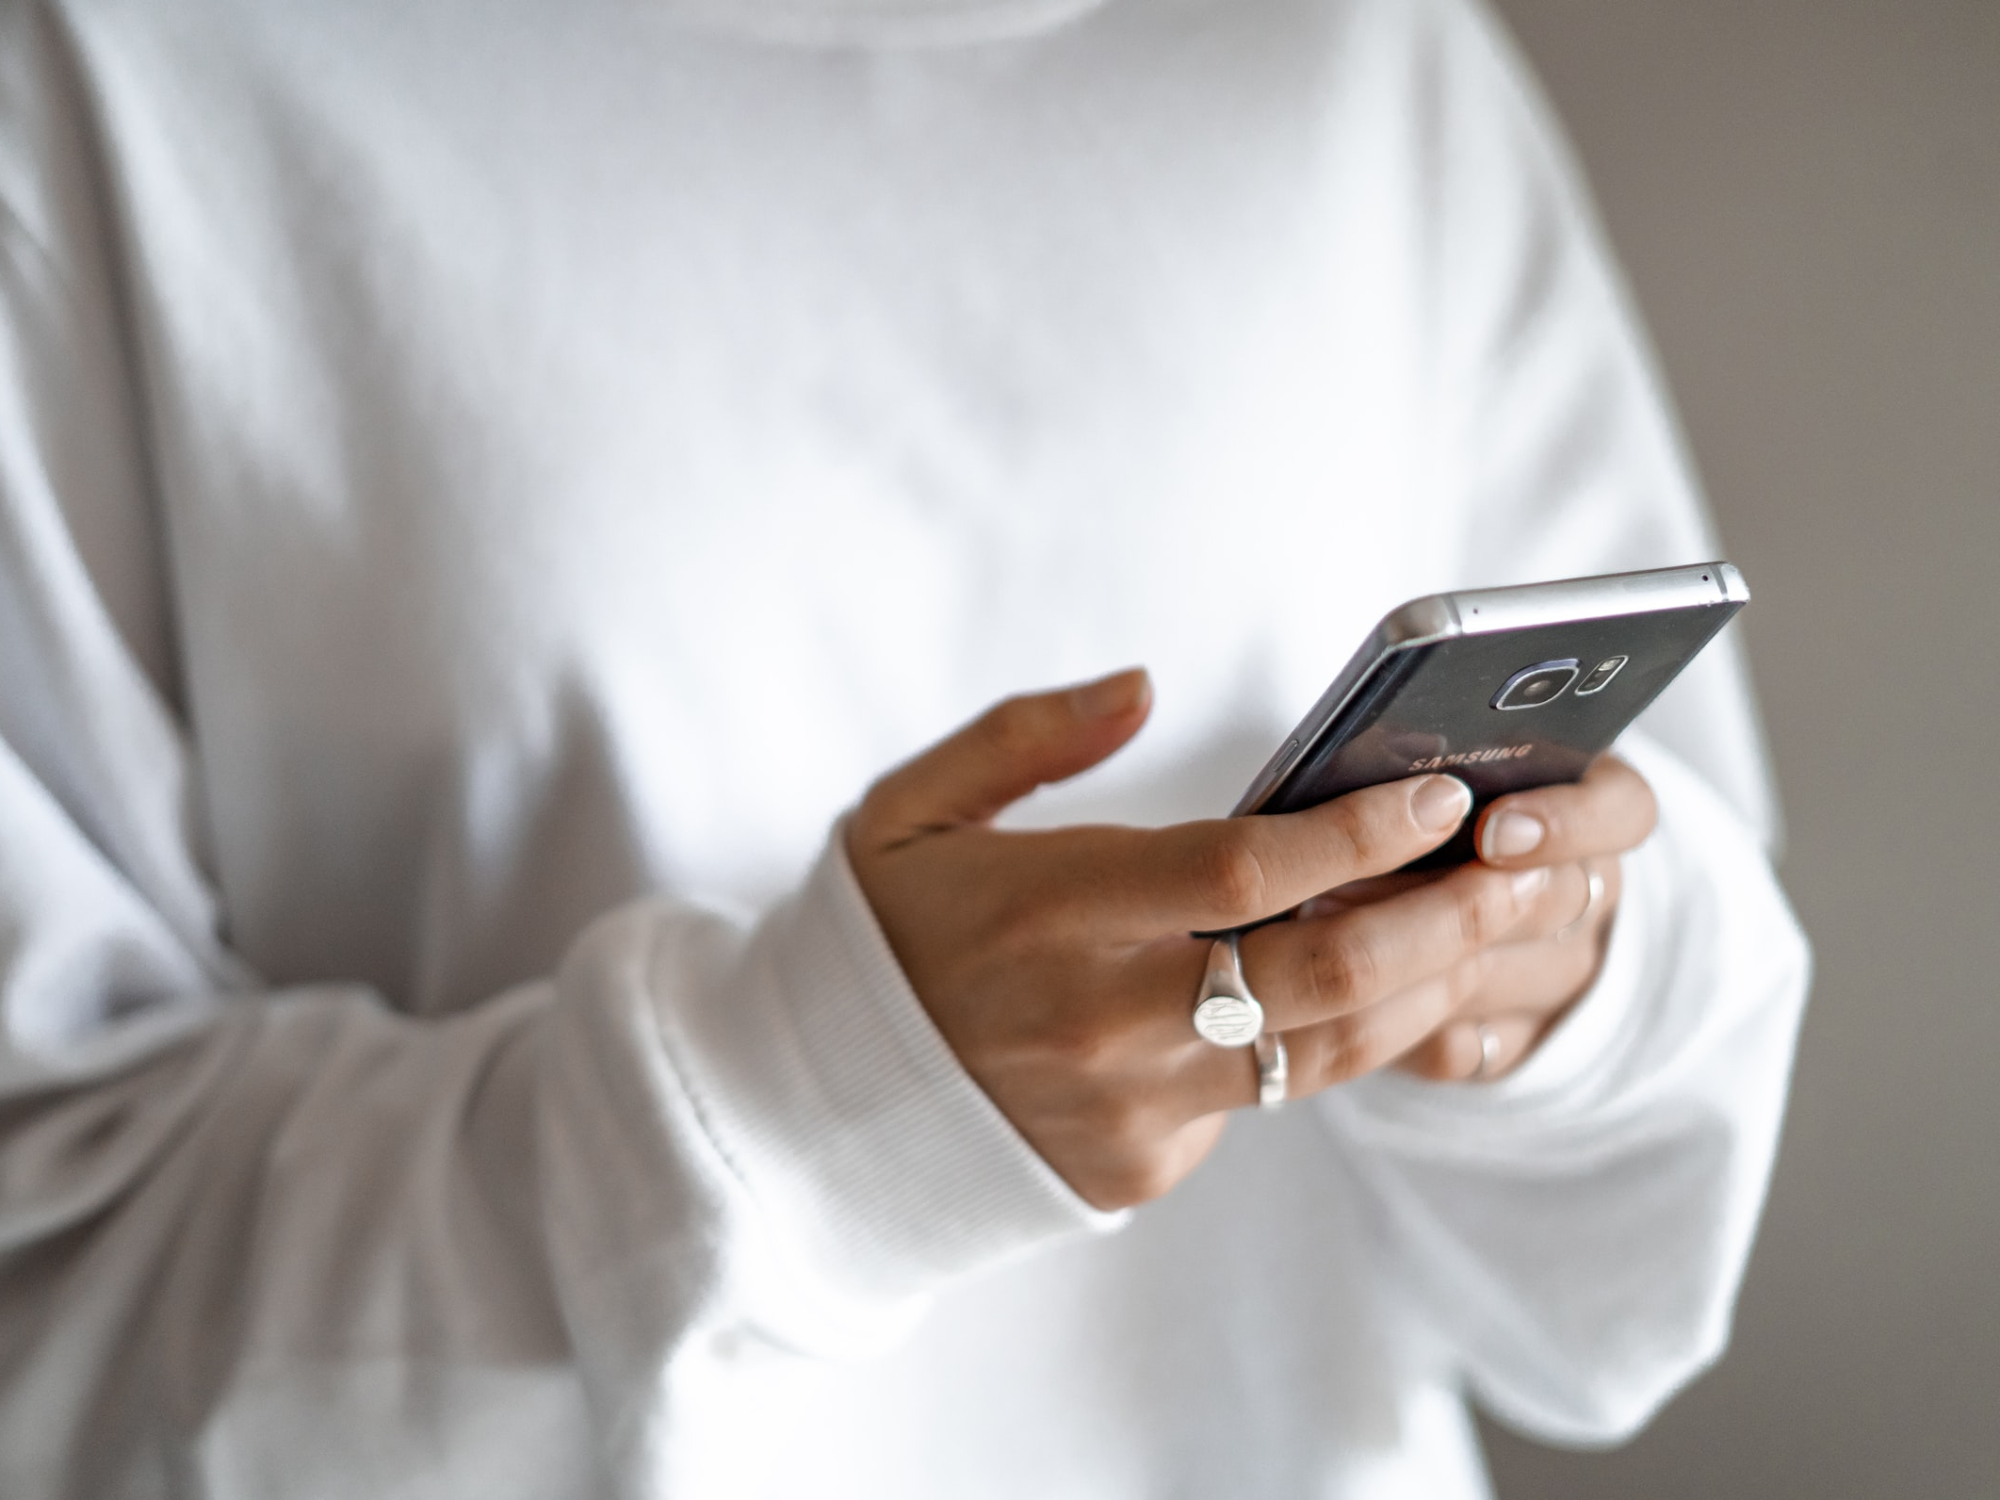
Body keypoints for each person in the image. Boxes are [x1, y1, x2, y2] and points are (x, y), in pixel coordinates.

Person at [0, 0, 1809, 1494]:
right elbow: (45, 1305)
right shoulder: (105, 76)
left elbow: (1626, 1295)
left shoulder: (1357, 60)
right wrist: (812, 1104)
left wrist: (1545, 990)